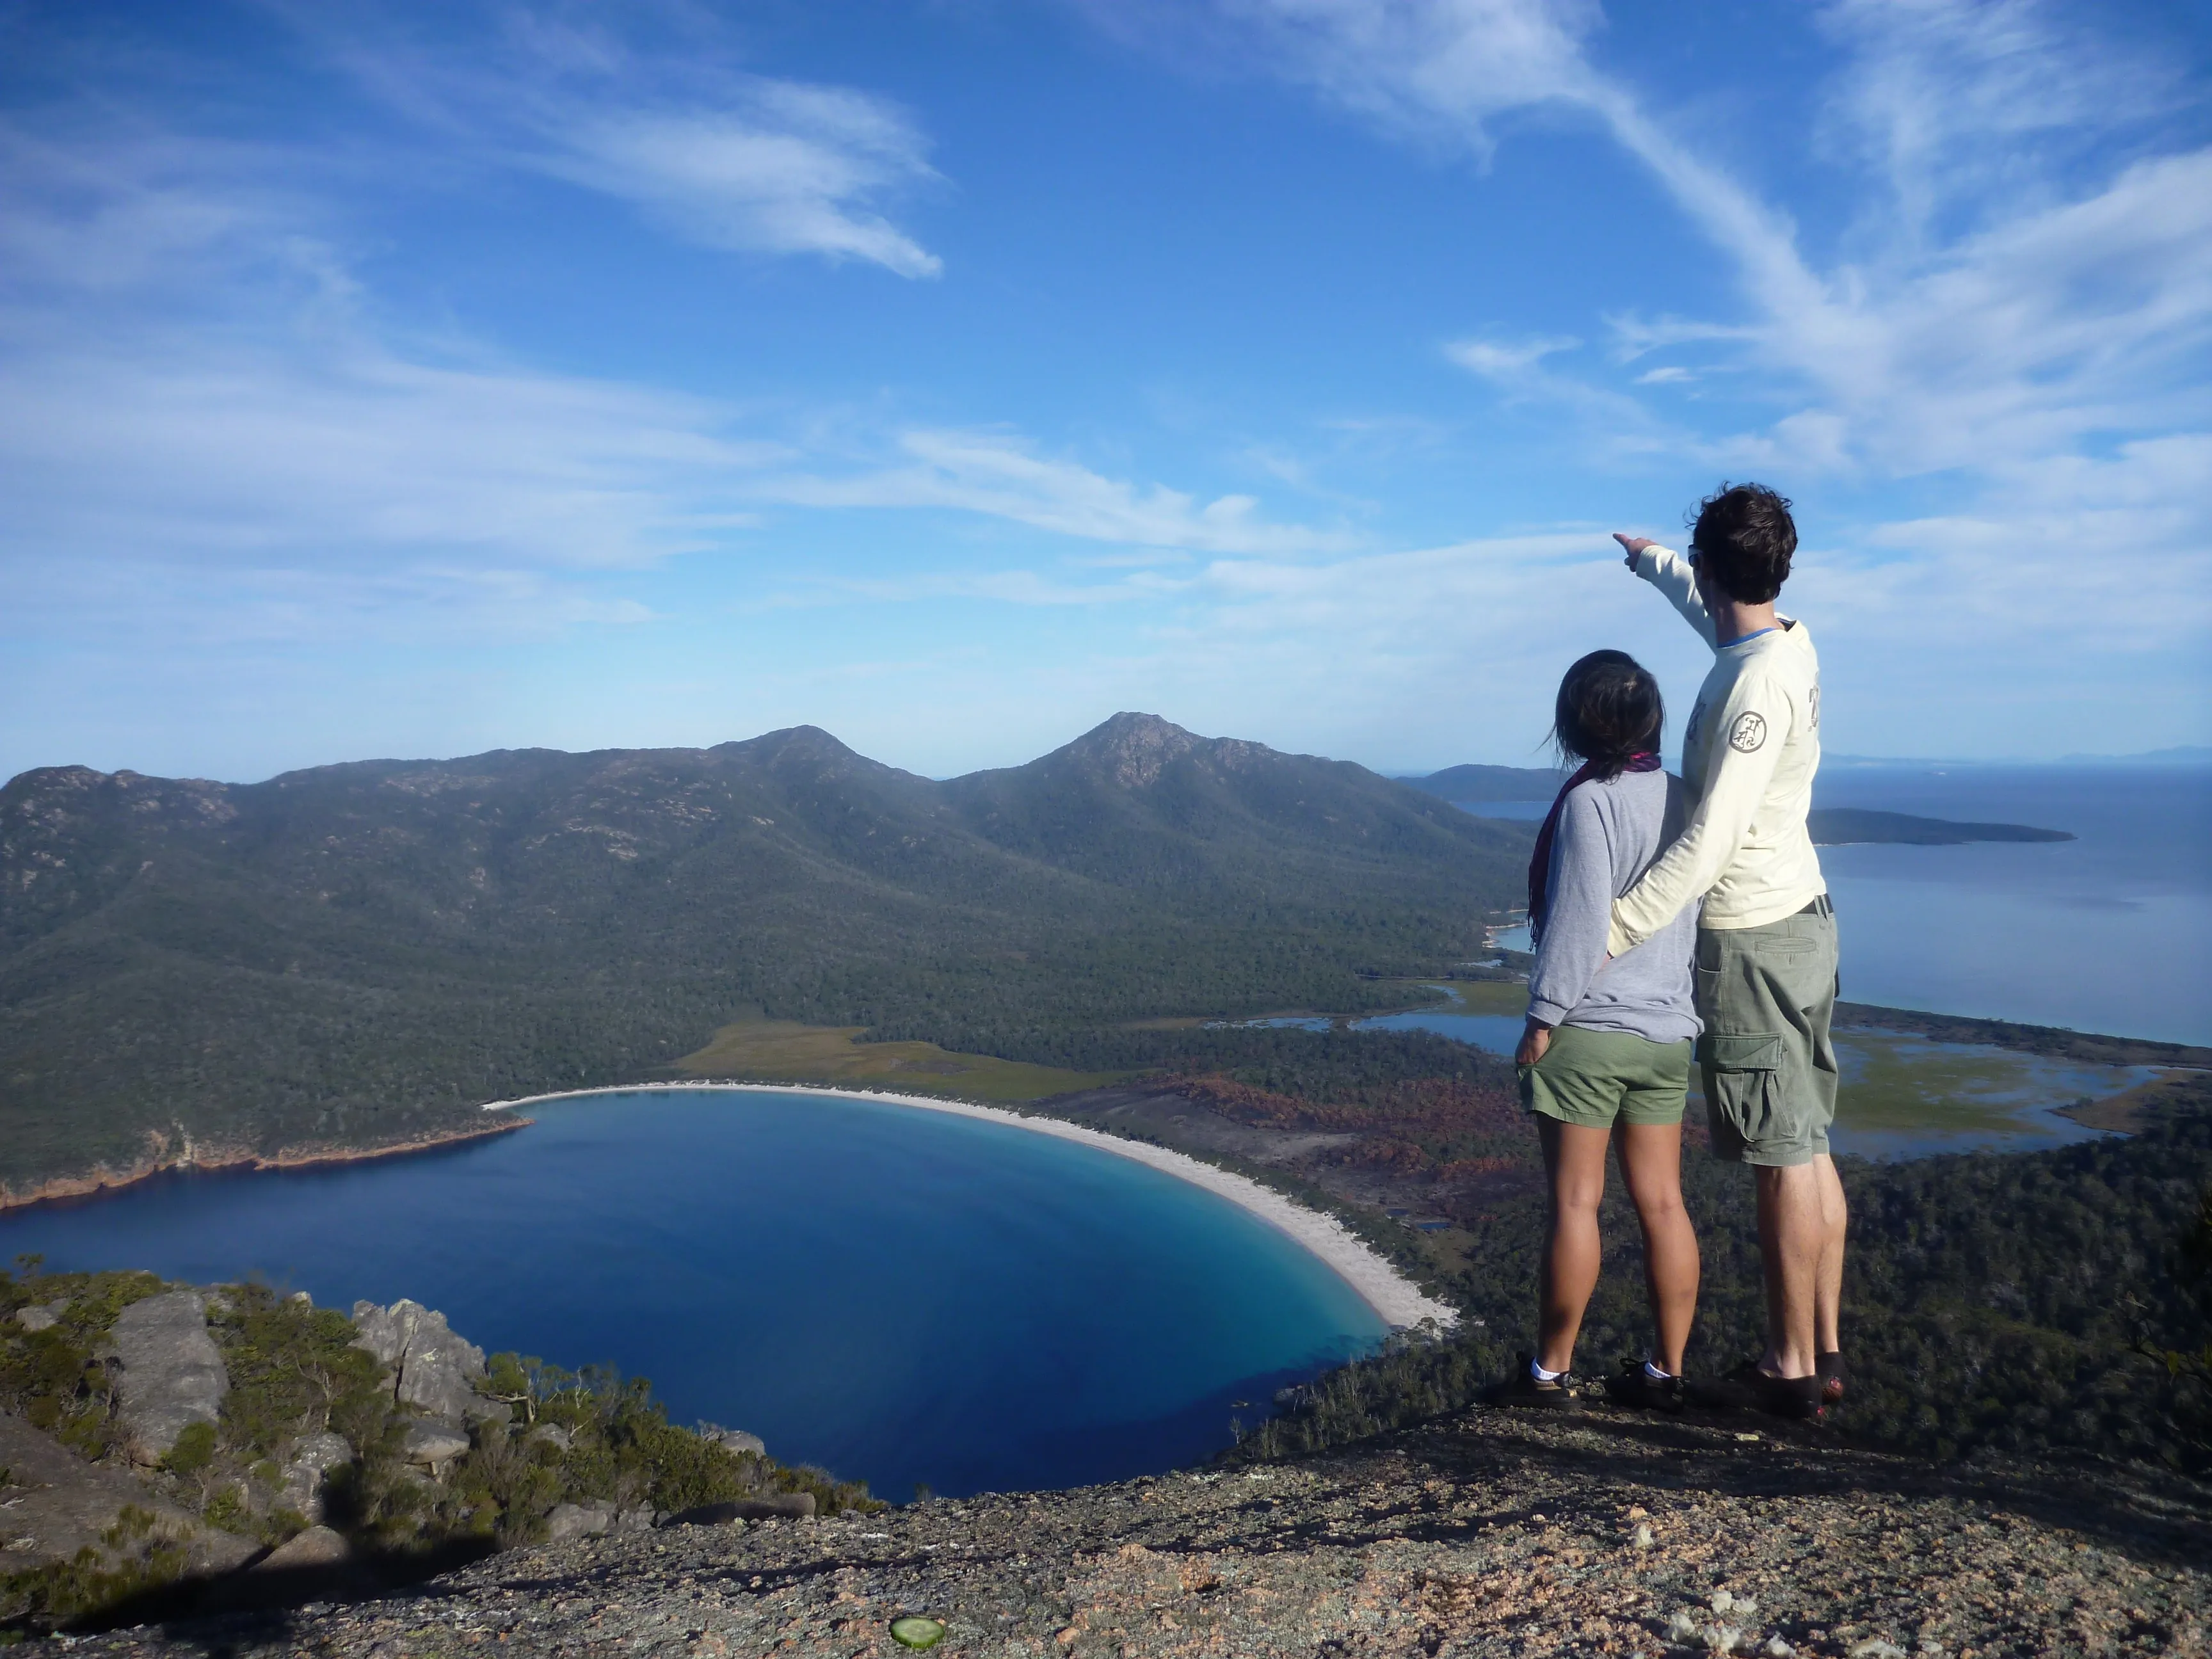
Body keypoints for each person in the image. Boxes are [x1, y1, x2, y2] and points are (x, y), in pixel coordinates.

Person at [1610, 482, 1844, 1420]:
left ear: (1718, 569)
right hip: (1803, 919)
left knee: (1781, 1154)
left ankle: (1788, 1368)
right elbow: (1717, 618)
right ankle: (1822, 1348)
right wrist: (1654, 563)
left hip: (1751, 937)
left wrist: (1616, 929)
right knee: (1811, 1143)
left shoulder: (1752, 687)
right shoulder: (1781, 643)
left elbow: (1707, 841)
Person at [1486, 650, 1703, 1413]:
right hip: (1667, 1032)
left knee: (1577, 1204)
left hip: (1590, 1027)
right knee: (1664, 1204)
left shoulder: (1590, 803)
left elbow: (1578, 923)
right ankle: (1666, 1373)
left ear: (1574, 723)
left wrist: (1542, 1021)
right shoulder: (1684, 798)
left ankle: (1549, 1374)